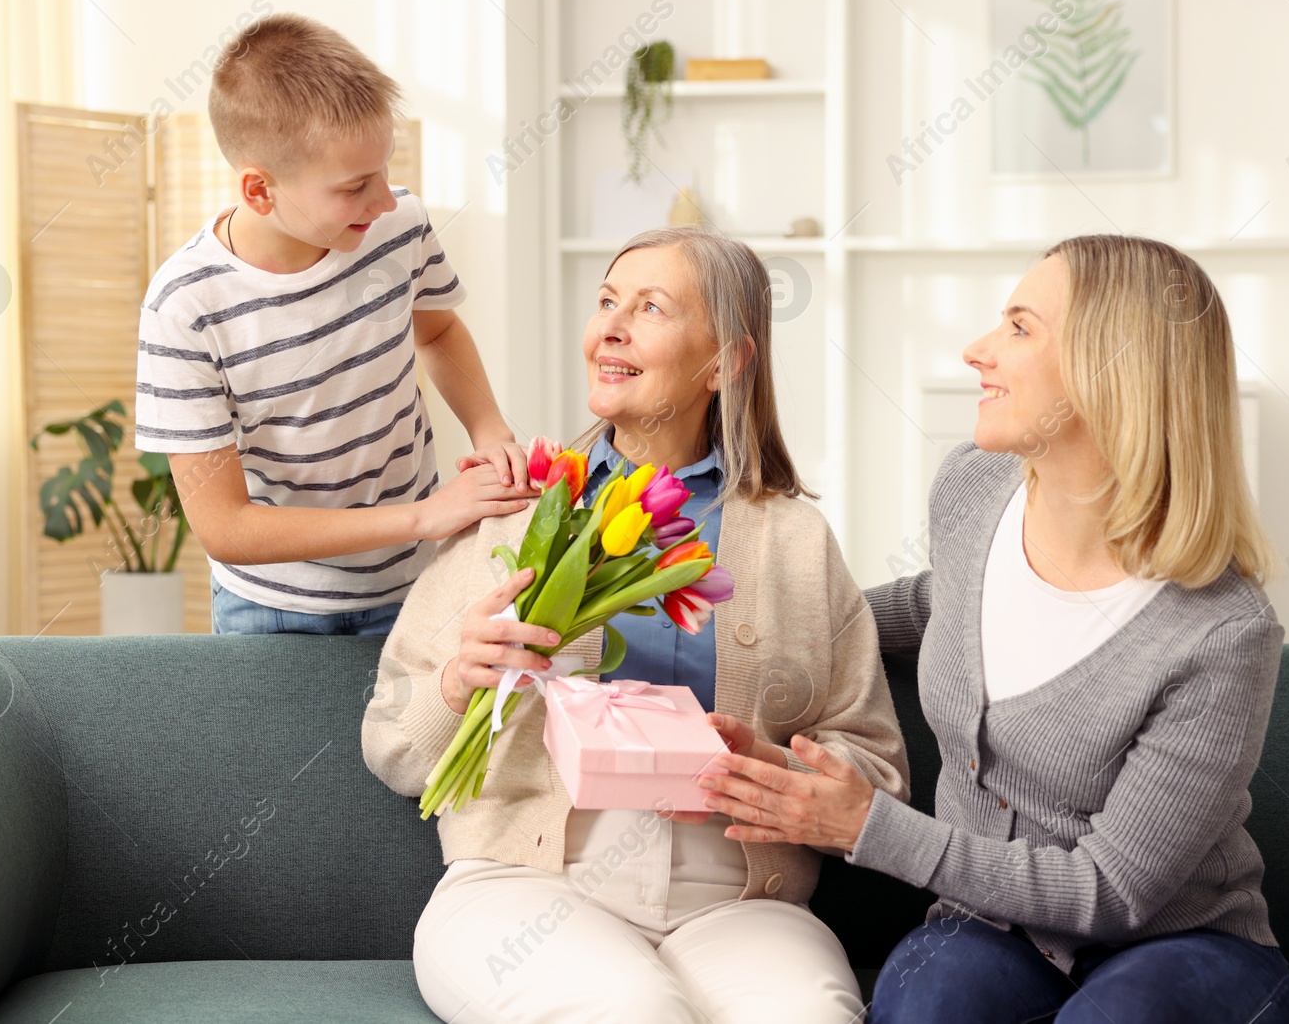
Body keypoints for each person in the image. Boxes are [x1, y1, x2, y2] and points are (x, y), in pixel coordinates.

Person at [695, 234, 1289, 1023]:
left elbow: (1111, 890)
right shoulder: (975, 489)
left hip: (1179, 947)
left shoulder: (1222, 631)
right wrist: (750, 647)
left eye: (1019, 327)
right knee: (928, 1005)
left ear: (1110, 368)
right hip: (989, 929)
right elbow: (938, 603)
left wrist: (869, 826)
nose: (978, 350)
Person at [363, 227, 910, 1022]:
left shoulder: (793, 538)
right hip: (530, 882)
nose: (610, 328)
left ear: (724, 362)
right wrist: (456, 680)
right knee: (628, 1010)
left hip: (740, 900)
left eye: (650, 307)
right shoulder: (518, 512)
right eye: (607, 302)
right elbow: (393, 744)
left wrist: (776, 770)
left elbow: (878, 768)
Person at [133, 13, 534, 638]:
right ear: (260, 191)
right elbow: (226, 527)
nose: (383, 200)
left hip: (415, 583)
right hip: (273, 607)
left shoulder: (397, 226)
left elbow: (437, 331)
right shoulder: (184, 307)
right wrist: (423, 517)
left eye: (383, 171)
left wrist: (489, 426)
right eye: (354, 187)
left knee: (411, 737)